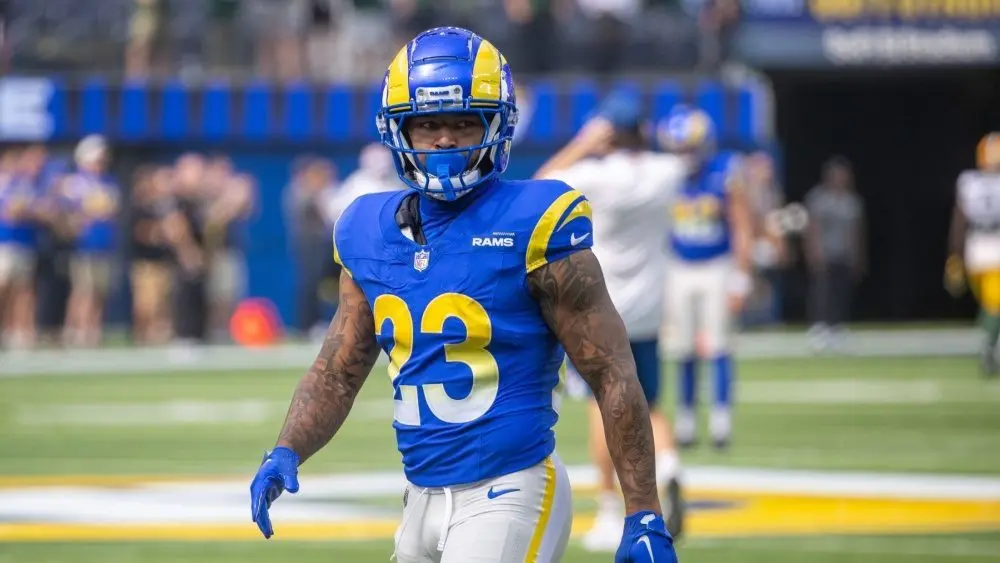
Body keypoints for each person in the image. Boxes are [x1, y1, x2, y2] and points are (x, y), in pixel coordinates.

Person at [250, 26, 677, 563]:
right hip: (418, 500)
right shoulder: (367, 227)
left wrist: (643, 511)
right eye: (428, 124)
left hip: (511, 489)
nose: (446, 139)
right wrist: (288, 447)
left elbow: (612, 372)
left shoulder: (536, 220)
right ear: (398, 129)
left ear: (497, 124)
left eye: (462, 121)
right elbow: (339, 368)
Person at [534, 91, 687, 546]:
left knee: (603, 403)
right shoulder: (667, 172)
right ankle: (672, 463)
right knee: (651, 401)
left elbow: (542, 184)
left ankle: (607, 505)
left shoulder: (596, 177)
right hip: (650, 306)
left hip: (602, 306)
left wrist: (583, 143)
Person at [658, 105, 752, 450]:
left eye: (689, 147)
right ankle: (685, 419)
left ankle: (720, 420)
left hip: (716, 265)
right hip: (678, 266)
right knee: (681, 347)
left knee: (719, 345)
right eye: (678, 147)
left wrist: (742, 275)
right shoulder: (665, 176)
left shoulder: (723, 171)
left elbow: (741, 224)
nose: (683, 155)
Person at [946, 132, 1000, 376]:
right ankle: (988, 348)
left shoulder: (969, 181)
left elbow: (960, 221)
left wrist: (954, 256)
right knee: (994, 305)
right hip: (996, 246)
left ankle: (989, 343)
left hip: (975, 249)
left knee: (990, 305)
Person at [60, 136, 120, 347]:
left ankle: (93, 332)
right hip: (84, 245)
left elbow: (111, 210)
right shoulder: (75, 182)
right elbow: (71, 214)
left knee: (99, 291)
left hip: (104, 244)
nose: (100, 164)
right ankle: (76, 331)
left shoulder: (109, 181)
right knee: (83, 290)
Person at [804, 156, 866, 353]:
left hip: (844, 253)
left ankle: (837, 326)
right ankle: (819, 327)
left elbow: (857, 231)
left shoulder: (852, 202)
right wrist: (813, 250)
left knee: (842, 292)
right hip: (825, 252)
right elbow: (812, 228)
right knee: (822, 291)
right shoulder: (818, 198)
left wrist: (858, 255)